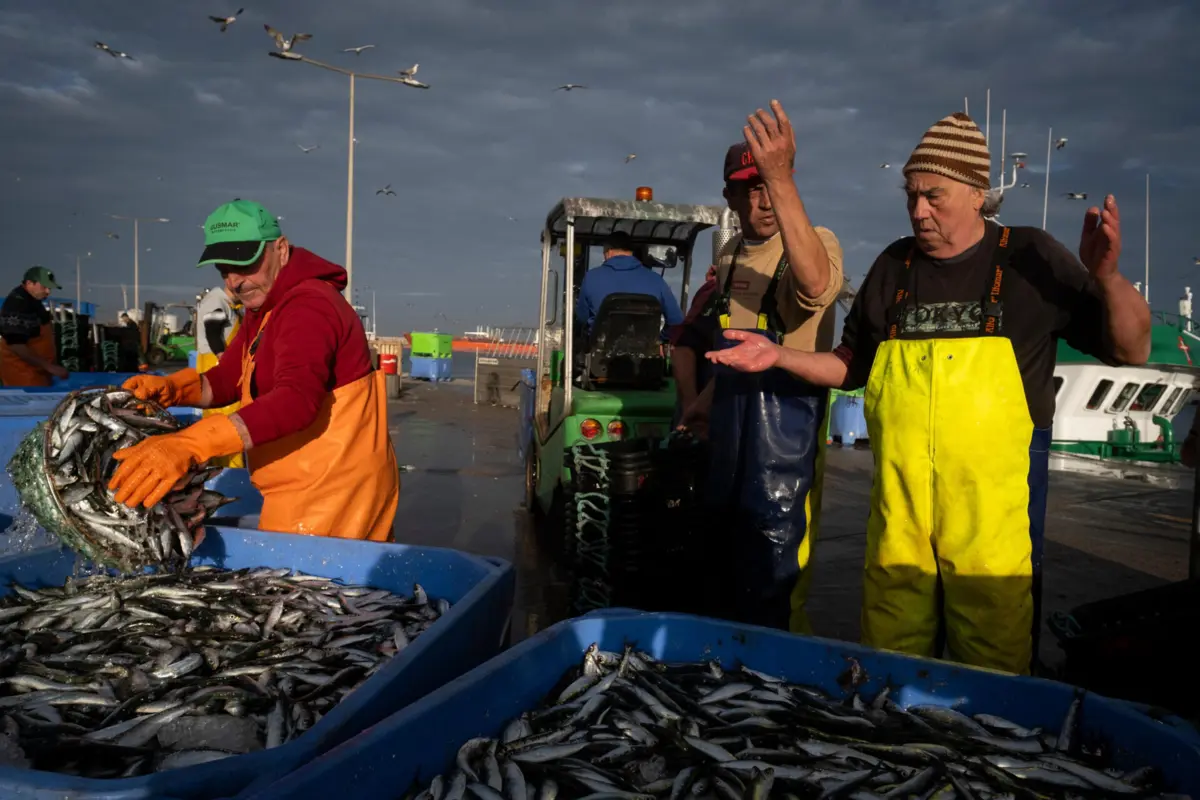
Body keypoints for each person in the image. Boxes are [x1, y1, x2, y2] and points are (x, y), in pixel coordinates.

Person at [708, 111, 1151, 674]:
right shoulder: (894, 266)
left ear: (976, 195)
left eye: (934, 196)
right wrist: (779, 356)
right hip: (898, 534)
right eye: (911, 195)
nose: (919, 211)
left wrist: (1107, 278)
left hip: (991, 543)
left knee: (992, 678)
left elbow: (1131, 349)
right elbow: (850, 366)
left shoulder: (1028, 258)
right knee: (889, 672)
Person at [108, 199, 400, 540]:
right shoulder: (264, 308)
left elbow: (295, 401)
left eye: (245, 264)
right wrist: (172, 390)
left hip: (334, 493)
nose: (235, 281)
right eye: (224, 269)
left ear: (281, 249)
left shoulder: (310, 306)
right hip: (299, 483)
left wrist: (190, 444)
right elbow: (227, 379)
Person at [679, 99, 845, 633]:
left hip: (788, 433)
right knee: (725, 565)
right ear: (729, 197)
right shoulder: (728, 256)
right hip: (731, 424)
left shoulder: (815, 242)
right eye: (751, 189)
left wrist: (781, 178)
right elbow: (731, 344)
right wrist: (701, 405)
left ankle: (777, 668)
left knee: (778, 574)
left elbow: (815, 287)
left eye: (771, 184)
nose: (765, 200)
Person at [575, 231, 684, 337]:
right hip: (644, 347)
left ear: (609, 252)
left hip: (600, 347)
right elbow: (677, 321)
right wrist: (660, 338)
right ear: (631, 253)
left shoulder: (591, 278)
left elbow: (582, 319)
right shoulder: (657, 280)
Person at [195, 284, 245, 468]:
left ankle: (223, 464)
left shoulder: (226, 303)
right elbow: (212, 331)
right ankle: (229, 466)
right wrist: (223, 359)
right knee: (227, 420)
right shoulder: (217, 300)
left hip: (218, 361)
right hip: (216, 363)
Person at [0, 266, 68, 386]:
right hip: (23, 376)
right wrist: (49, 367)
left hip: (39, 374)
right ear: (29, 284)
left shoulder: (34, 300)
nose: (48, 292)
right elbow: (16, 345)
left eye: (49, 288)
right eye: (44, 287)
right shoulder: (17, 305)